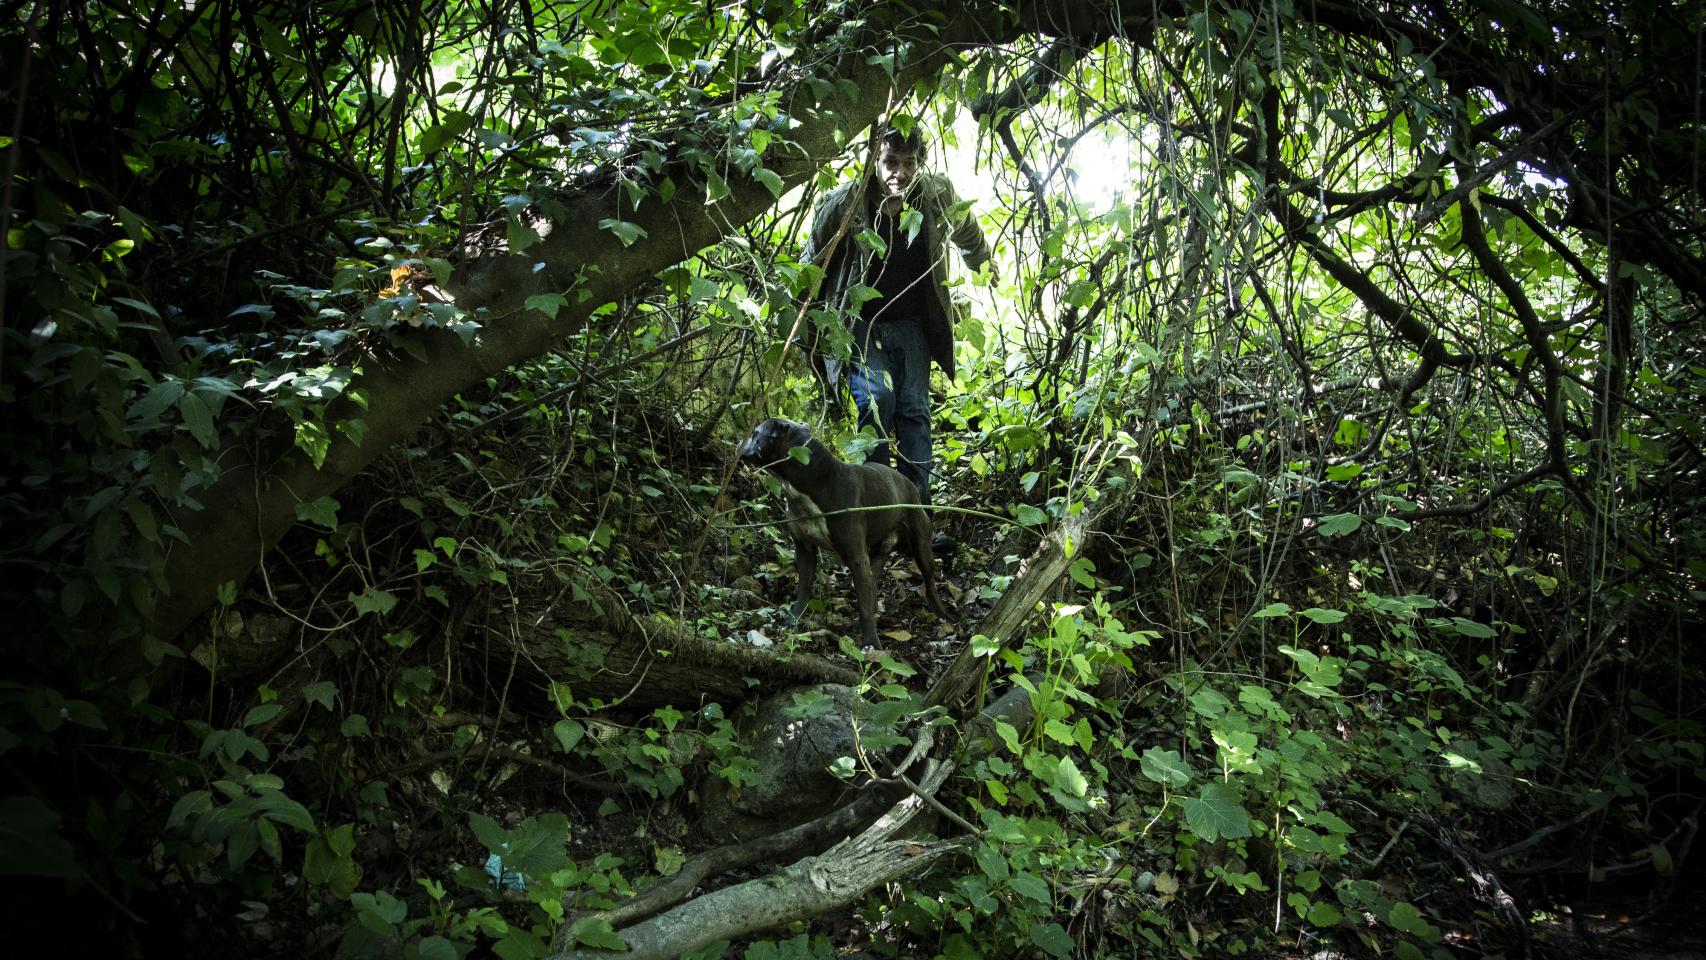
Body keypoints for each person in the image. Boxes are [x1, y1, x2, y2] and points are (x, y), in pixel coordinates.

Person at [796, 123, 994, 546]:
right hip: (859, 325)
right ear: (873, 159)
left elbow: (968, 231)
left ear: (919, 163)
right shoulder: (845, 204)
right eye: (890, 162)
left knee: (915, 413)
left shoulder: (936, 195)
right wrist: (802, 324)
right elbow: (809, 264)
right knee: (877, 404)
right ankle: (877, 523)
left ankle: (917, 523)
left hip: (913, 325)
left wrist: (983, 264)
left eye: (908, 163)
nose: (899, 173)